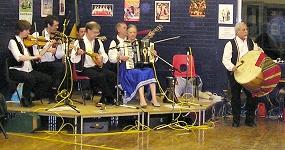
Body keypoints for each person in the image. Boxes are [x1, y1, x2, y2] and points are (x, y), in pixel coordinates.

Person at [222, 22, 262, 127]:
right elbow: (225, 60)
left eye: (247, 29)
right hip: (235, 74)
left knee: (252, 97)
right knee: (235, 98)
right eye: (243, 30)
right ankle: (236, 121)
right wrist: (232, 67)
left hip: (248, 75)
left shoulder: (251, 43)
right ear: (237, 31)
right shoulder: (230, 44)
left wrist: (260, 53)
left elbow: (257, 54)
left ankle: (249, 120)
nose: (246, 32)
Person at [110, 24, 160, 108]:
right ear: (127, 33)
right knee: (138, 73)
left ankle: (154, 99)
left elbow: (149, 58)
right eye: (130, 32)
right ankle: (141, 98)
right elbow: (112, 57)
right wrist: (120, 57)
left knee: (150, 71)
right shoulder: (121, 43)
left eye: (134, 32)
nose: (132, 34)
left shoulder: (140, 43)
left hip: (139, 67)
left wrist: (153, 54)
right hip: (126, 68)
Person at [7, 20, 53, 107]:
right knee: (30, 78)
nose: (29, 32)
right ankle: (25, 98)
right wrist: (34, 57)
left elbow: (37, 56)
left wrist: (47, 46)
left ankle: (32, 96)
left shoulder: (26, 42)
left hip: (28, 70)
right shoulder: (12, 42)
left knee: (47, 79)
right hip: (16, 70)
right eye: (27, 30)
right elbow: (19, 57)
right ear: (21, 30)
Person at [70, 21, 116, 105]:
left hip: (95, 67)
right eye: (95, 32)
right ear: (88, 31)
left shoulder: (98, 42)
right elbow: (73, 60)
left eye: (97, 32)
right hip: (84, 69)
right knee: (101, 76)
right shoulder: (79, 42)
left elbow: (104, 56)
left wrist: (101, 57)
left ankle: (104, 98)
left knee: (111, 75)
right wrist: (77, 53)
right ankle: (110, 97)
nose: (96, 34)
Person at [32, 15, 65, 102]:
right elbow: (36, 54)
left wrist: (60, 46)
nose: (57, 27)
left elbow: (58, 56)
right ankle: (54, 92)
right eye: (55, 25)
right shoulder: (37, 35)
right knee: (58, 67)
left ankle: (55, 92)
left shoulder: (56, 36)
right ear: (48, 25)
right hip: (40, 64)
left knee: (62, 66)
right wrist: (48, 49)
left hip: (52, 63)